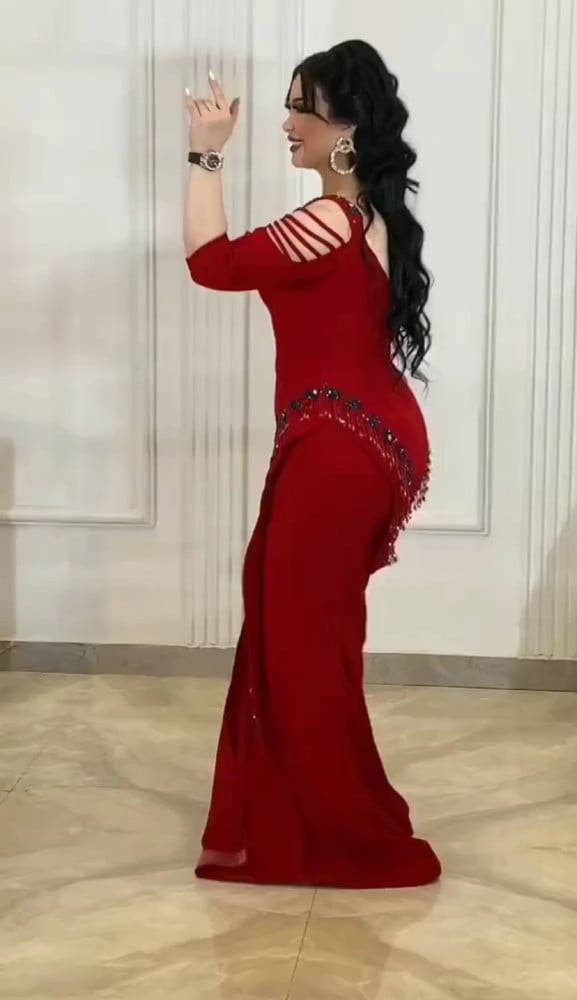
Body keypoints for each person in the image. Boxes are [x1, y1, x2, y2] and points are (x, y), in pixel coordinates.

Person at [183, 39, 441, 888]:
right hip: (357, 440)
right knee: (312, 636)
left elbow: (211, 265)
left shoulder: (329, 220)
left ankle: (342, 830)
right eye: (290, 105)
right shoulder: (366, 216)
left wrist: (204, 154)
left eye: (304, 108)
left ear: (347, 128)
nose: (287, 123)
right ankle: (324, 808)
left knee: (299, 640)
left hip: (338, 446)